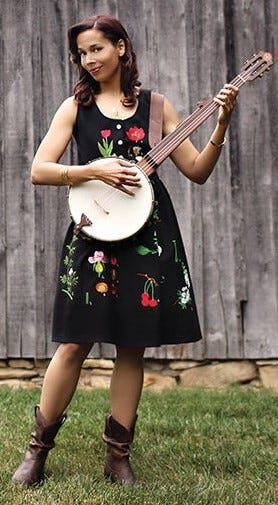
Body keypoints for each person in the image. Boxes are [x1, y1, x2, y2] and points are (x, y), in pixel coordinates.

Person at [12, 13, 238, 487]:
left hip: (148, 235)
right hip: (95, 236)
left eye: (97, 48)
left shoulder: (157, 108)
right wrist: (93, 171)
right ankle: (37, 451)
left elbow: (196, 170)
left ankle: (118, 456)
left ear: (120, 47)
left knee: (131, 345)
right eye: (82, 53)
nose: (89, 59)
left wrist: (219, 125)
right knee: (74, 342)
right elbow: (40, 169)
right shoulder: (75, 107)